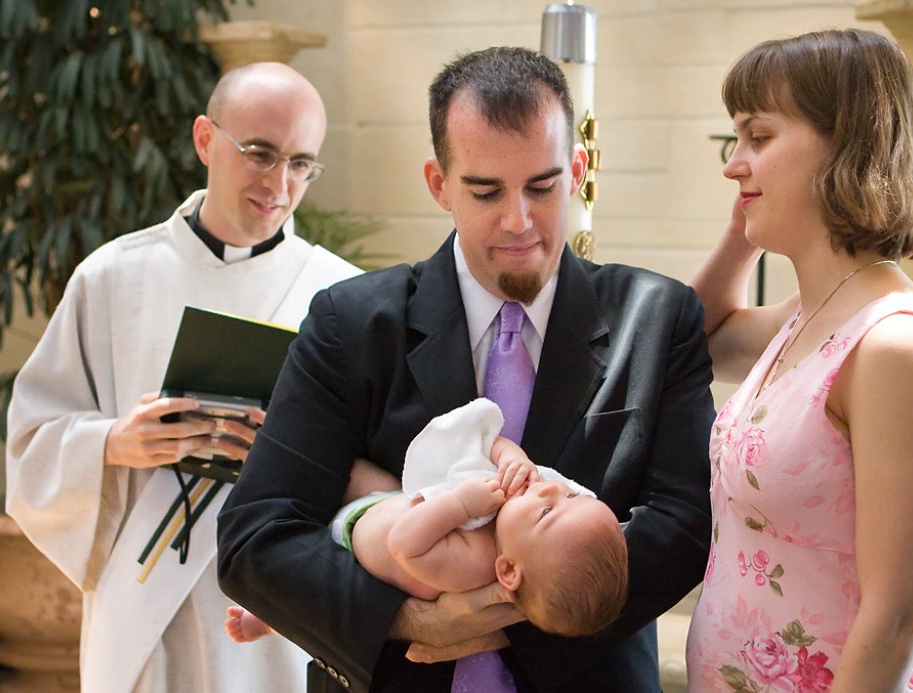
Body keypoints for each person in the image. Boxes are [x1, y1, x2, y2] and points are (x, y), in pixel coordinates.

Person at [217, 46, 715, 692]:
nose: (519, 221)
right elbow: (256, 537)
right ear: (439, 184)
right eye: (485, 192)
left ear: (577, 171)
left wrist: (502, 620)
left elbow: (683, 526)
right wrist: (409, 619)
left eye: (542, 186)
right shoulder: (351, 323)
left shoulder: (657, 317)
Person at [5, 62, 361, 692]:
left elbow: (383, 478)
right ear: (204, 139)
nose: (280, 184)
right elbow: (32, 443)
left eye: (302, 163)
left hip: (273, 617)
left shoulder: (343, 295)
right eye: (259, 154)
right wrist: (114, 442)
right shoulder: (112, 278)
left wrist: (293, 457)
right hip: (144, 615)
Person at [685, 29, 913, 692]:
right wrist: (742, 229)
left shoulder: (895, 346)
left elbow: (897, 617)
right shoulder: (810, 315)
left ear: (846, 145)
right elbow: (691, 341)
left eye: (758, 137)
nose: (733, 165)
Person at [225, 398, 628, 643]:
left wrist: (461, 505)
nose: (549, 488)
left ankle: (269, 621)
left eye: (547, 512)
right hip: (389, 497)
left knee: (311, 598)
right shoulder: (515, 514)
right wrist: (512, 458)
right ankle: (275, 448)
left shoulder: (471, 565)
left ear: (507, 571)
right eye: (571, 494)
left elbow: (405, 543)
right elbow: (490, 444)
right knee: (328, 466)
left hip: (351, 538)